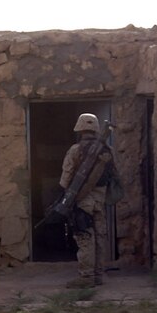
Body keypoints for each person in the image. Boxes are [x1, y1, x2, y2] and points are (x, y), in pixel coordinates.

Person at [59, 113, 119, 289]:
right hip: (99, 199)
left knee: (85, 238)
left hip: (81, 200)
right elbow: (114, 176)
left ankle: (86, 277)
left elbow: (65, 179)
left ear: (80, 129)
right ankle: (98, 275)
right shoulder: (108, 150)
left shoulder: (75, 150)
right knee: (100, 236)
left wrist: (69, 196)